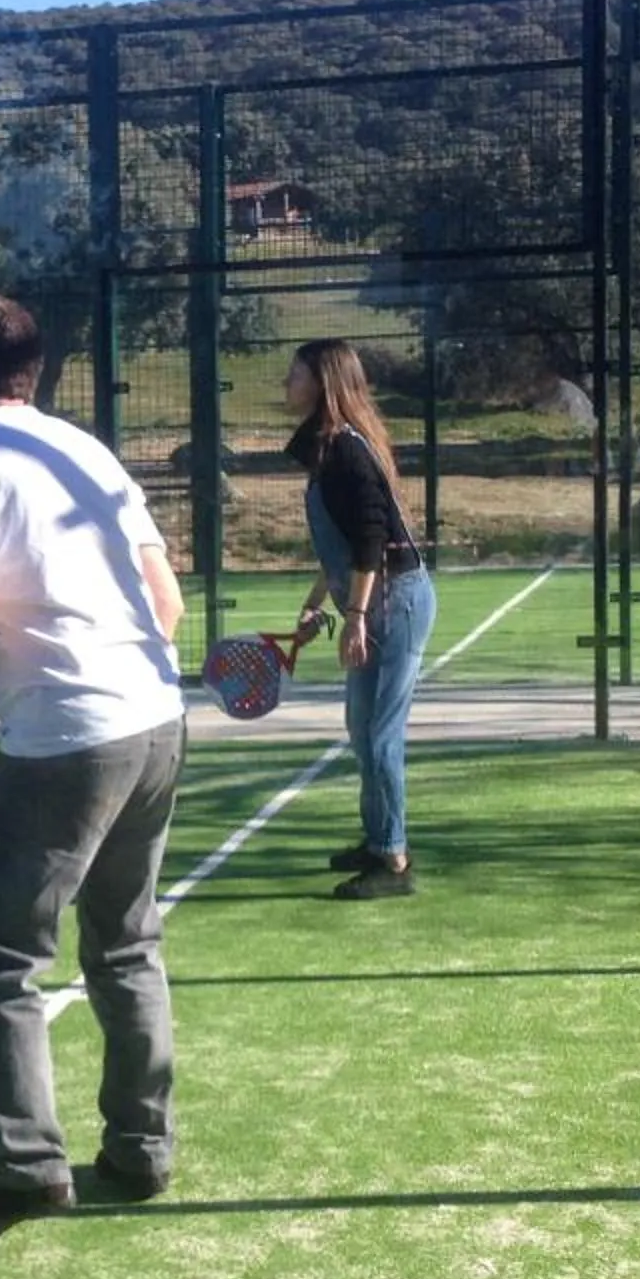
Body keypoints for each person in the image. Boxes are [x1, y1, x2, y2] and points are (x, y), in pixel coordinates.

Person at [0, 293, 189, 1248]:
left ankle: (29, 1168)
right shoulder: (84, 450)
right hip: (155, 721)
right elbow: (168, 600)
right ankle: (141, 1149)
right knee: (126, 942)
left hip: (60, 742)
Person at [284, 337, 436, 900]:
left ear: (322, 384)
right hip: (374, 599)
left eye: (294, 375)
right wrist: (317, 599)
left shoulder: (347, 449)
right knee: (360, 730)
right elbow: (345, 543)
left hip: (397, 601)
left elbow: (373, 539)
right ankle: (377, 839)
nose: (286, 384)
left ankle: (393, 860)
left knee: (380, 737)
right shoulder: (327, 448)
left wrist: (354, 615)